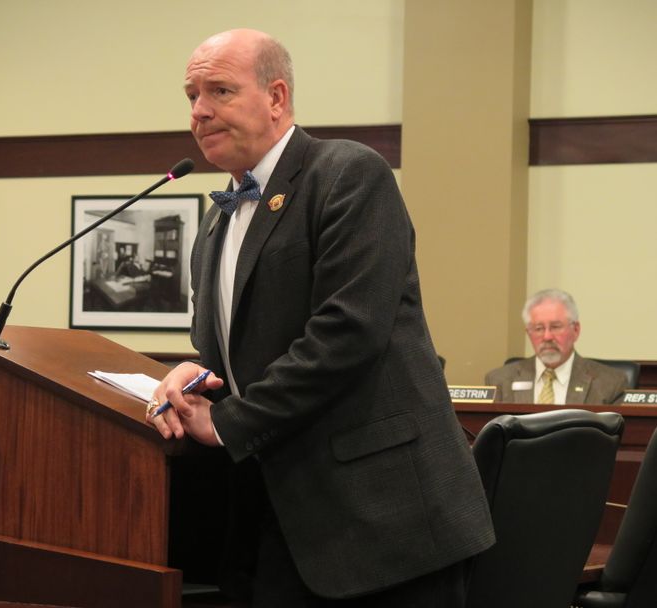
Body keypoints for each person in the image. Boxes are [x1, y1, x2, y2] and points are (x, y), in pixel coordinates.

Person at [145, 29, 494, 606]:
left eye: (220, 91)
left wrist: (228, 422)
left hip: (385, 520)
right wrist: (195, 373)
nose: (199, 111)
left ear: (276, 97)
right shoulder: (214, 226)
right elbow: (238, 356)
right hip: (280, 522)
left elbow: (348, 333)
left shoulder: (348, 174)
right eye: (191, 95)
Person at [485, 288, 627, 404]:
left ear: (576, 330)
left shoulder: (609, 384)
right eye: (539, 328)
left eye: (555, 327)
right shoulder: (500, 381)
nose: (547, 337)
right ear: (528, 333)